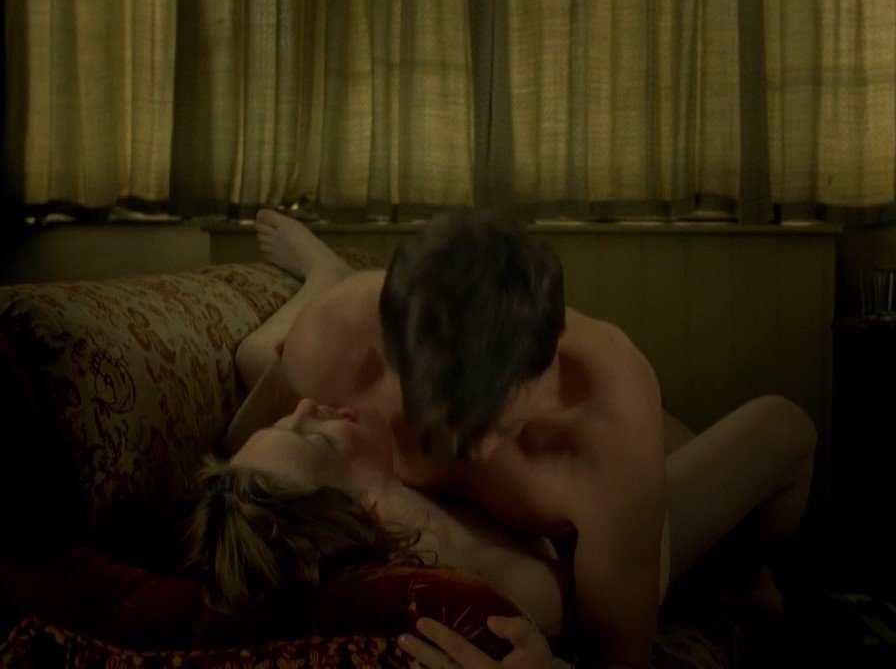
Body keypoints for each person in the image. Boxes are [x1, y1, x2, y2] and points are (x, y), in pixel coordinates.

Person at [223, 208, 818, 668]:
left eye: (498, 425)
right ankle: (326, 273)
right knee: (257, 357)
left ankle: (746, 576)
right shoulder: (336, 339)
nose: (477, 452)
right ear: (387, 350)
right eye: (441, 419)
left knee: (784, 425)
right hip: (357, 342)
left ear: (549, 360)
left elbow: (620, 658)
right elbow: (244, 466)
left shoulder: (606, 421)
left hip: (589, 533)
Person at [184, 398, 565, 668]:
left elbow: (256, 350)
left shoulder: (432, 460)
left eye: (280, 421)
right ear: (343, 517)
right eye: (316, 439)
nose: (305, 404)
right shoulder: (443, 597)